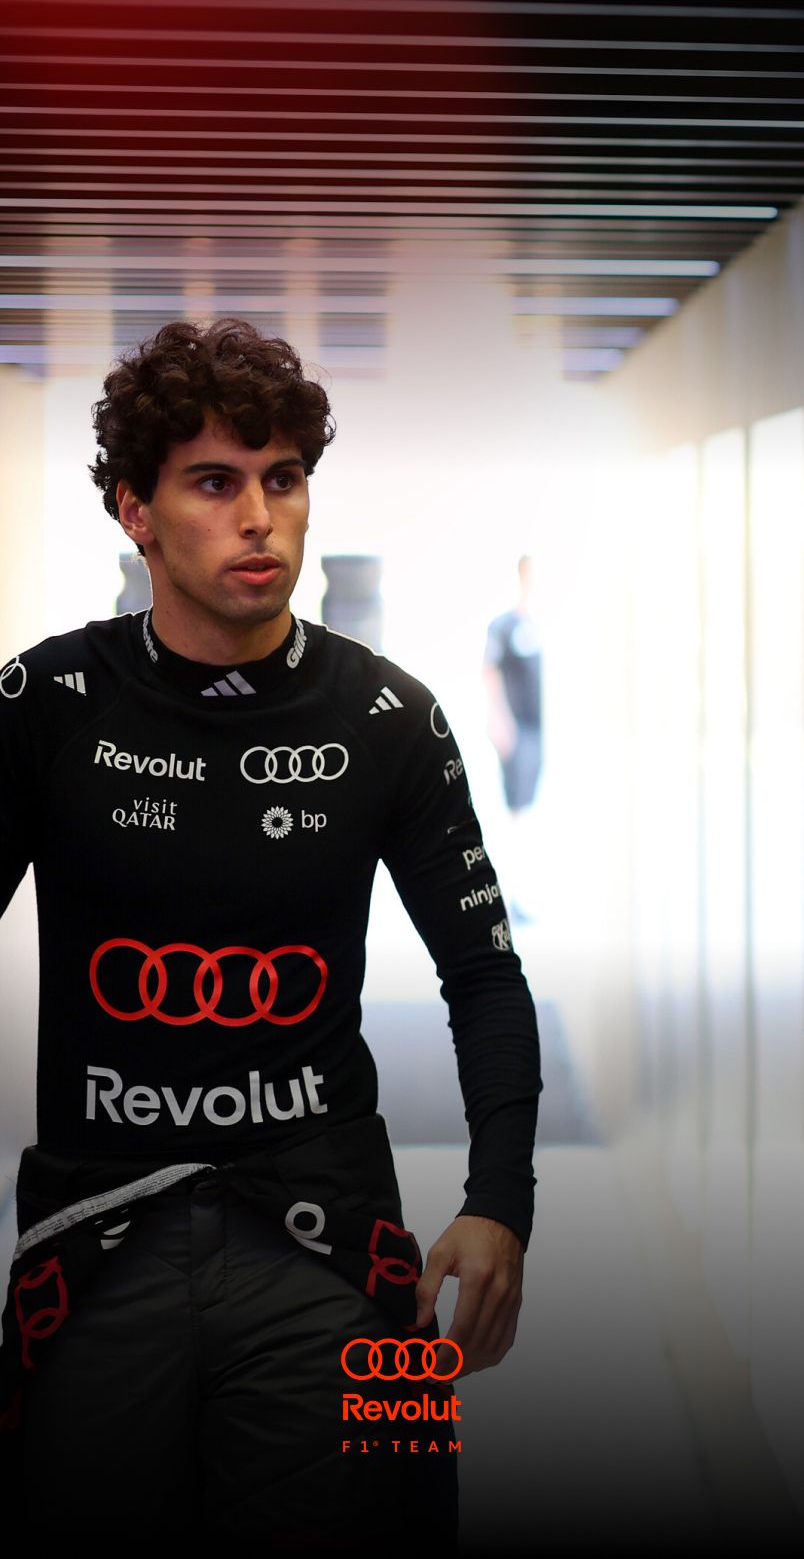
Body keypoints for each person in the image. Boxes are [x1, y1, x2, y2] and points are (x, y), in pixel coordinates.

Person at [0, 319, 541, 1544]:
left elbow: (486, 977)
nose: (260, 515)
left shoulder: (393, 714)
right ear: (136, 510)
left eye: (283, 478)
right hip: (90, 1245)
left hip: (346, 1240)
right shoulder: (42, 702)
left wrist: (501, 1198)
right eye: (215, 481)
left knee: (402, 1521)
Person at [483, 556, 544, 922]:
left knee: (527, 812)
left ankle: (519, 895)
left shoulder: (534, 626)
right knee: (514, 814)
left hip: (537, 732)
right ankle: (505, 898)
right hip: (515, 732)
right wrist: (499, 720)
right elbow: (489, 671)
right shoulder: (503, 627)